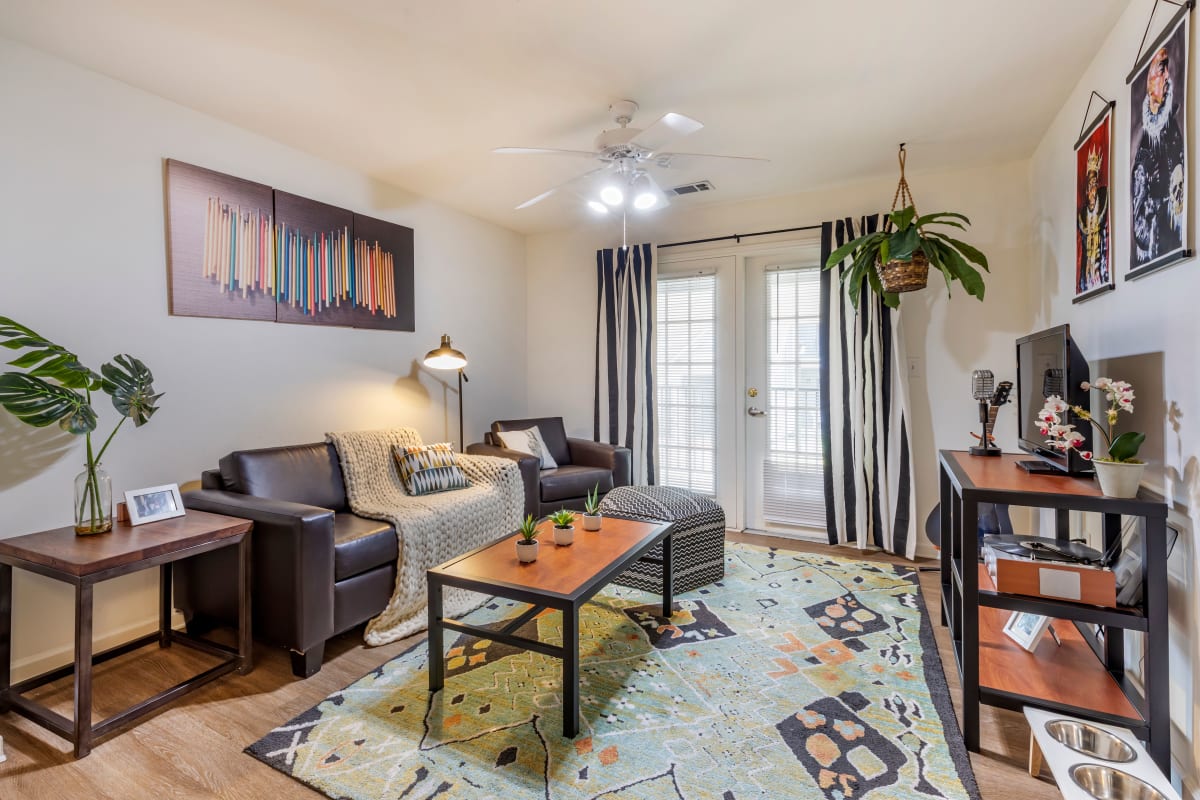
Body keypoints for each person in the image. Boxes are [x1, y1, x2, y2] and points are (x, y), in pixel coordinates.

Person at [1131, 45, 1185, 266]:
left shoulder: (1172, 129)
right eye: (1160, 70)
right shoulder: (1145, 138)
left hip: (1169, 233)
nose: (1165, 76)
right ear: (1149, 81)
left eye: (1166, 70)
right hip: (1152, 234)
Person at [1077, 145, 1109, 292]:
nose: (1093, 190)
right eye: (1090, 186)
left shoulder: (1103, 202)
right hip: (1088, 269)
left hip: (1100, 263)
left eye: (1095, 185)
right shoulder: (1082, 216)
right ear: (1086, 190)